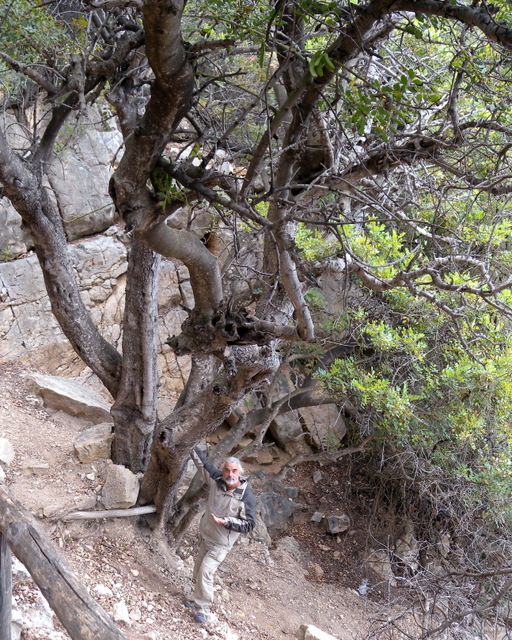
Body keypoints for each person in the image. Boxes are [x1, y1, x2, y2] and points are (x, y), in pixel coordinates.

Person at [184, 446, 257, 624]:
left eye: (233, 471)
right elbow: (203, 463)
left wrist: (227, 522)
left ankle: (203, 610)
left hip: (220, 544)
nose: (229, 474)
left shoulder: (246, 497)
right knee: (197, 571)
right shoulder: (217, 480)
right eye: (226, 470)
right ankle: (196, 599)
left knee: (206, 572)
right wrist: (191, 445)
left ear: (239, 473)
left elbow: (249, 524)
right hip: (205, 537)